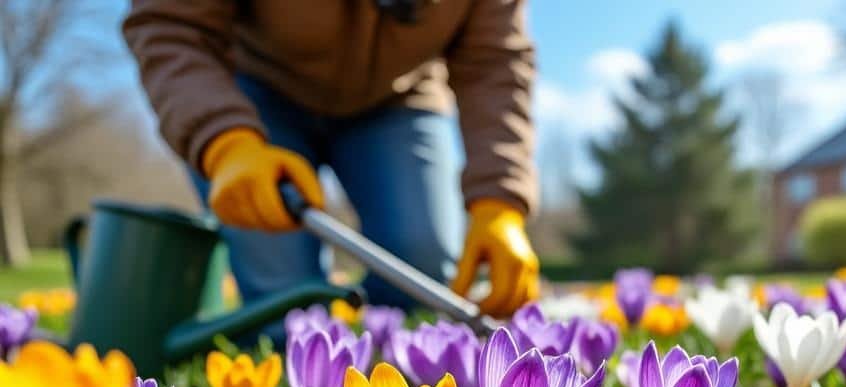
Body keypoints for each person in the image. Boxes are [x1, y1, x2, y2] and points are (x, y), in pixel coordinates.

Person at [123, 0, 540, 318]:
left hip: (399, 98)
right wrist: (224, 141)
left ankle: (385, 359)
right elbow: (170, 22)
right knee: (284, 298)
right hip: (256, 96)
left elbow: (496, 62)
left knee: (421, 258)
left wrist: (500, 204)